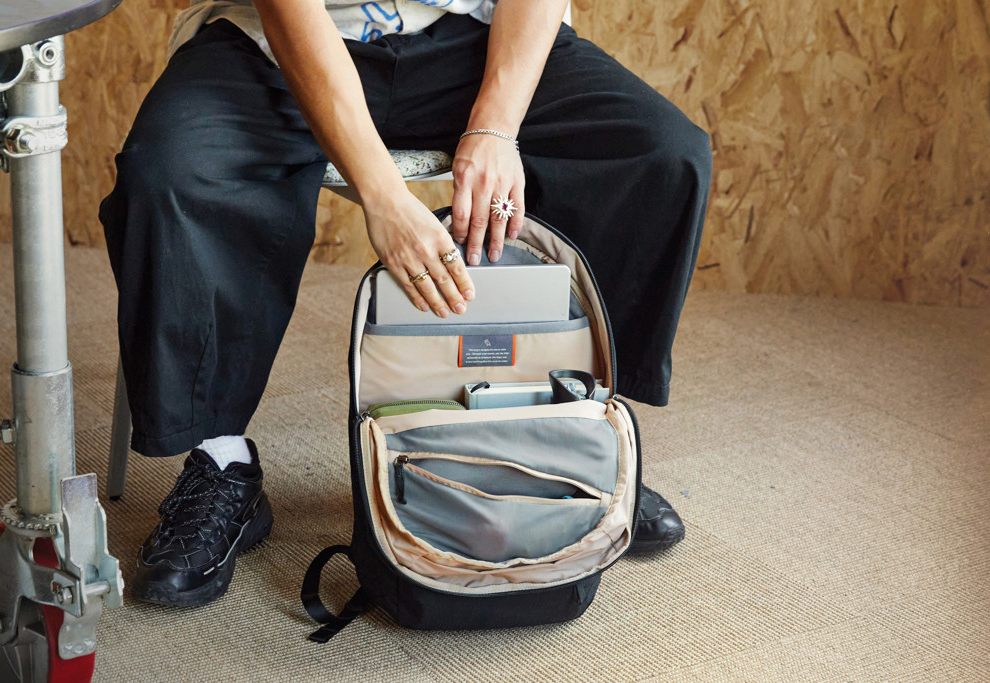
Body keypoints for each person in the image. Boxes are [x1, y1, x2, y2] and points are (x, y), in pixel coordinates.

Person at [100, 0, 712, 607]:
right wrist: (383, 196)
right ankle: (221, 461)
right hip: (277, 48)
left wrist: (495, 129)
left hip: (471, 36)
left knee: (661, 153)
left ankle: (576, 433)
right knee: (170, 171)